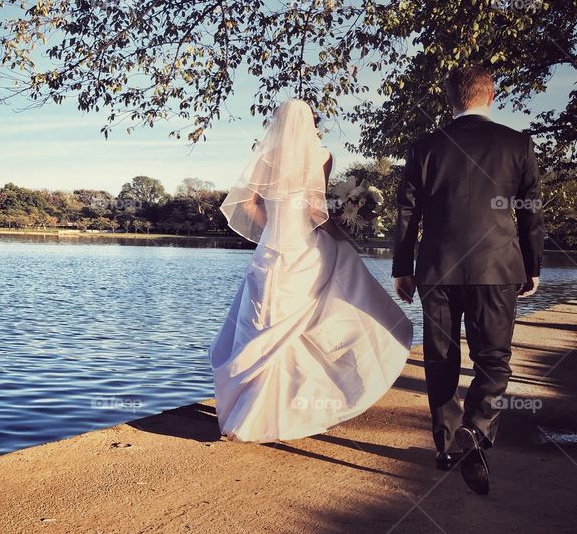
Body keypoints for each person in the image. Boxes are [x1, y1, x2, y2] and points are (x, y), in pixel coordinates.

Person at [210, 99, 413, 443]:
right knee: (298, 330)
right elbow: (316, 210)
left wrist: (274, 227)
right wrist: (343, 232)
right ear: (313, 124)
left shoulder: (266, 157)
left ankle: (244, 414)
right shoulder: (323, 156)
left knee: (258, 328)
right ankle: (285, 410)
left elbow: (248, 205)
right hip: (305, 252)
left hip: (271, 253)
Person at [392, 65, 545, 495]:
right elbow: (531, 211)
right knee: (493, 359)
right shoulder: (517, 143)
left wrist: (402, 267)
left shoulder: (425, 147)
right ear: (490, 96)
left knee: (441, 357)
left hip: (437, 269)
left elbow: (408, 213)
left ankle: (445, 447)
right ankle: (475, 430)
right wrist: (533, 265)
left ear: (449, 100)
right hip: (496, 269)